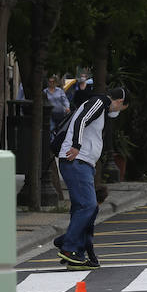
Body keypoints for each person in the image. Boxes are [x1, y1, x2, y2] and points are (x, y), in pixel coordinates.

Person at [55, 85, 128, 269]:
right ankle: (68, 247)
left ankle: (76, 253)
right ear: (119, 102)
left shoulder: (100, 107)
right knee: (89, 207)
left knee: (83, 209)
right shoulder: (100, 102)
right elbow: (81, 120)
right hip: (76, 160)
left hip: (82, 163)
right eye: (122, 108)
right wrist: (76, 145)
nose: (118, 112)